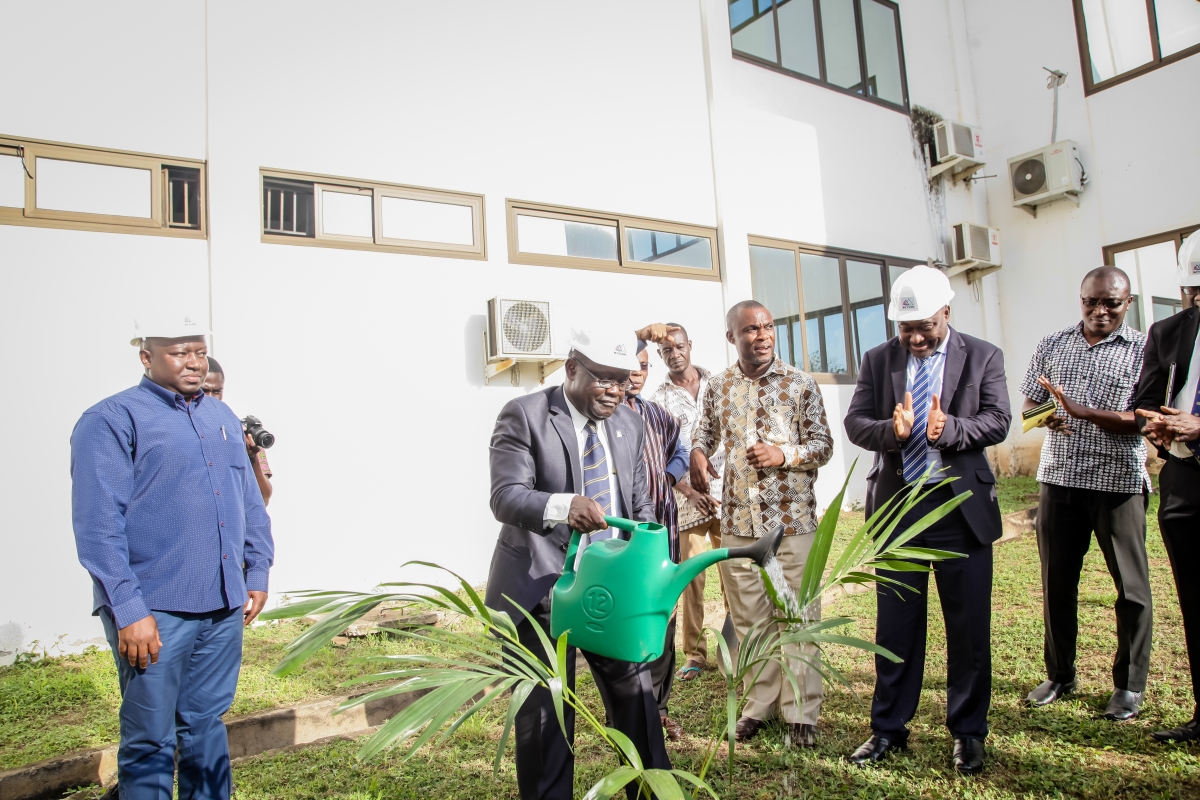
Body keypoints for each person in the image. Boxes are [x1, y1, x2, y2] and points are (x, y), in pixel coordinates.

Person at [71, 313, 274, 800]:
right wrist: (129, 610)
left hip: (222, 607)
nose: (193, 363)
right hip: (155, 610)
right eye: (179, 353)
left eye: (199, 352)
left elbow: (249, 502)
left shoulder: (221, 418)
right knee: (150, 739)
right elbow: (98, 526)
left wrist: (257, 567)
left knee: (205, 727)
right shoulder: (111, 420)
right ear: (147, 357)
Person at [484, 325, 670, 800]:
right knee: (545, 723)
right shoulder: (524, 415)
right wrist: (563, 505)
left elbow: (638, 502)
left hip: (609, 594)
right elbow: (506, 497)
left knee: (638, 710)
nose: (615, 391)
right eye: (604, 379)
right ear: (571, 369)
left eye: (623, 380)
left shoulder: (630, 421)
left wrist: (649, 566)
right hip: (540, 592)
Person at [843, 266, 1010, 774]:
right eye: (905, 328)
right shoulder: (878, 360)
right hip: (901, 510)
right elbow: (856, 422)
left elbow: (998, 419)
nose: (915, 338)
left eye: (925, 328)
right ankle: (888, 728)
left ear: (946, 313)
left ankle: (967, 732)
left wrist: (951, 427)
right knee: (896, 628)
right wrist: (891, 432)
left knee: (968, 629)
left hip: (959, 513)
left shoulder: (983, 355)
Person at [689, 300, 833, 747]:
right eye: (751, 329)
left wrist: (784, 455)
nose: (763, 335)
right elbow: (704, 432)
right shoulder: (717, 385)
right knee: (750, 620)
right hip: (737, 522)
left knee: (795, 616)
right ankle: (758, 706)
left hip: (791, 524)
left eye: (768, 326)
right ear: (732, 337)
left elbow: (823, 446)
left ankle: (801, 713)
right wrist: (697, 452)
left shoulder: (800, 384)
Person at [1018, 266, 1152, 722]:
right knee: (1057, 582)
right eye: (1090, 301)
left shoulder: (1142, 350)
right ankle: (1060, 674)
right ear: (1080, 299)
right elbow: (1029, 405)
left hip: (1119, 485)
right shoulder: (1053, 344)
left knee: (1131, 589)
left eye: (1110, 303)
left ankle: (1129, 685)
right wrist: (1047, 417)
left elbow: (1145, 418)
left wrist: (1081, 411)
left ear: (1127, 303)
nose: (1099, 311)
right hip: (1059, 479)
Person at [1132, 234, 1200, 742]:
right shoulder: (1170, 331)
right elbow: (1145, 399)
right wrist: (1154, 423)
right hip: (1184, 481)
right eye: (1194, 291)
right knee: (1193, 599)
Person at [650, 325, 727, 685]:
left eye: (679, 347)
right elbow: (665, 455)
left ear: (690, 346)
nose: (674, 354)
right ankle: (695, 654)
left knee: (734, 574)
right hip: (687, 502)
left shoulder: (720, 383)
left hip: (728, 497)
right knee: (692, 579)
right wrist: (690, 491)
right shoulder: (659, 399)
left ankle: (737, 646)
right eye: (666, 351)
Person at [625, 338, 690, 741]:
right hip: (620, 536)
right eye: (632, 365)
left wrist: (665, 479)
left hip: (662, 530)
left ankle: (658, 708)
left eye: (645, 366)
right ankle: (629, 709)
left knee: (664, 616)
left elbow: (679, 453)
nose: (637, 373)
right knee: (629, 620)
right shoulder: (606, 414)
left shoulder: (660, 416)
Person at [202, 357, 273, 506]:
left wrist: (253, 458)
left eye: (216, 391)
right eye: (204, 390)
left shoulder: (239, 431)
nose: (210, 397)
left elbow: (264, 498)